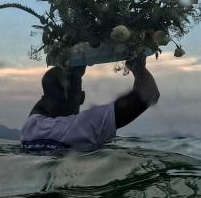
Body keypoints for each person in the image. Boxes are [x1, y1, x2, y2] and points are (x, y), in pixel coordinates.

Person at [20, 55, 159, 151]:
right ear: (82, 97)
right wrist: (139, 67)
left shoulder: (31, 127)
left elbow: (42, 104)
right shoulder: (88, 125)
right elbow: (149, 94)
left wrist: (69, 70)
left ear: (45, 99)